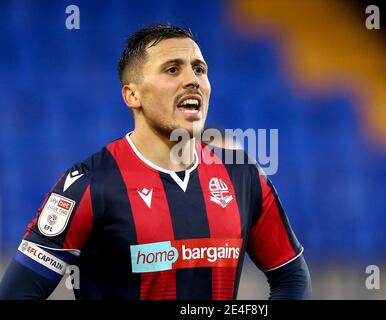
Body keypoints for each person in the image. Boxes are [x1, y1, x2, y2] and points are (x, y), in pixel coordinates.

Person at [0, 24, 311, 300]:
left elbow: (292, 279)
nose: (193, 80)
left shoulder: (243, 175)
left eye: (199, 69)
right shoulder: (89, 185)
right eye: (172, 70)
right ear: (132, 95)